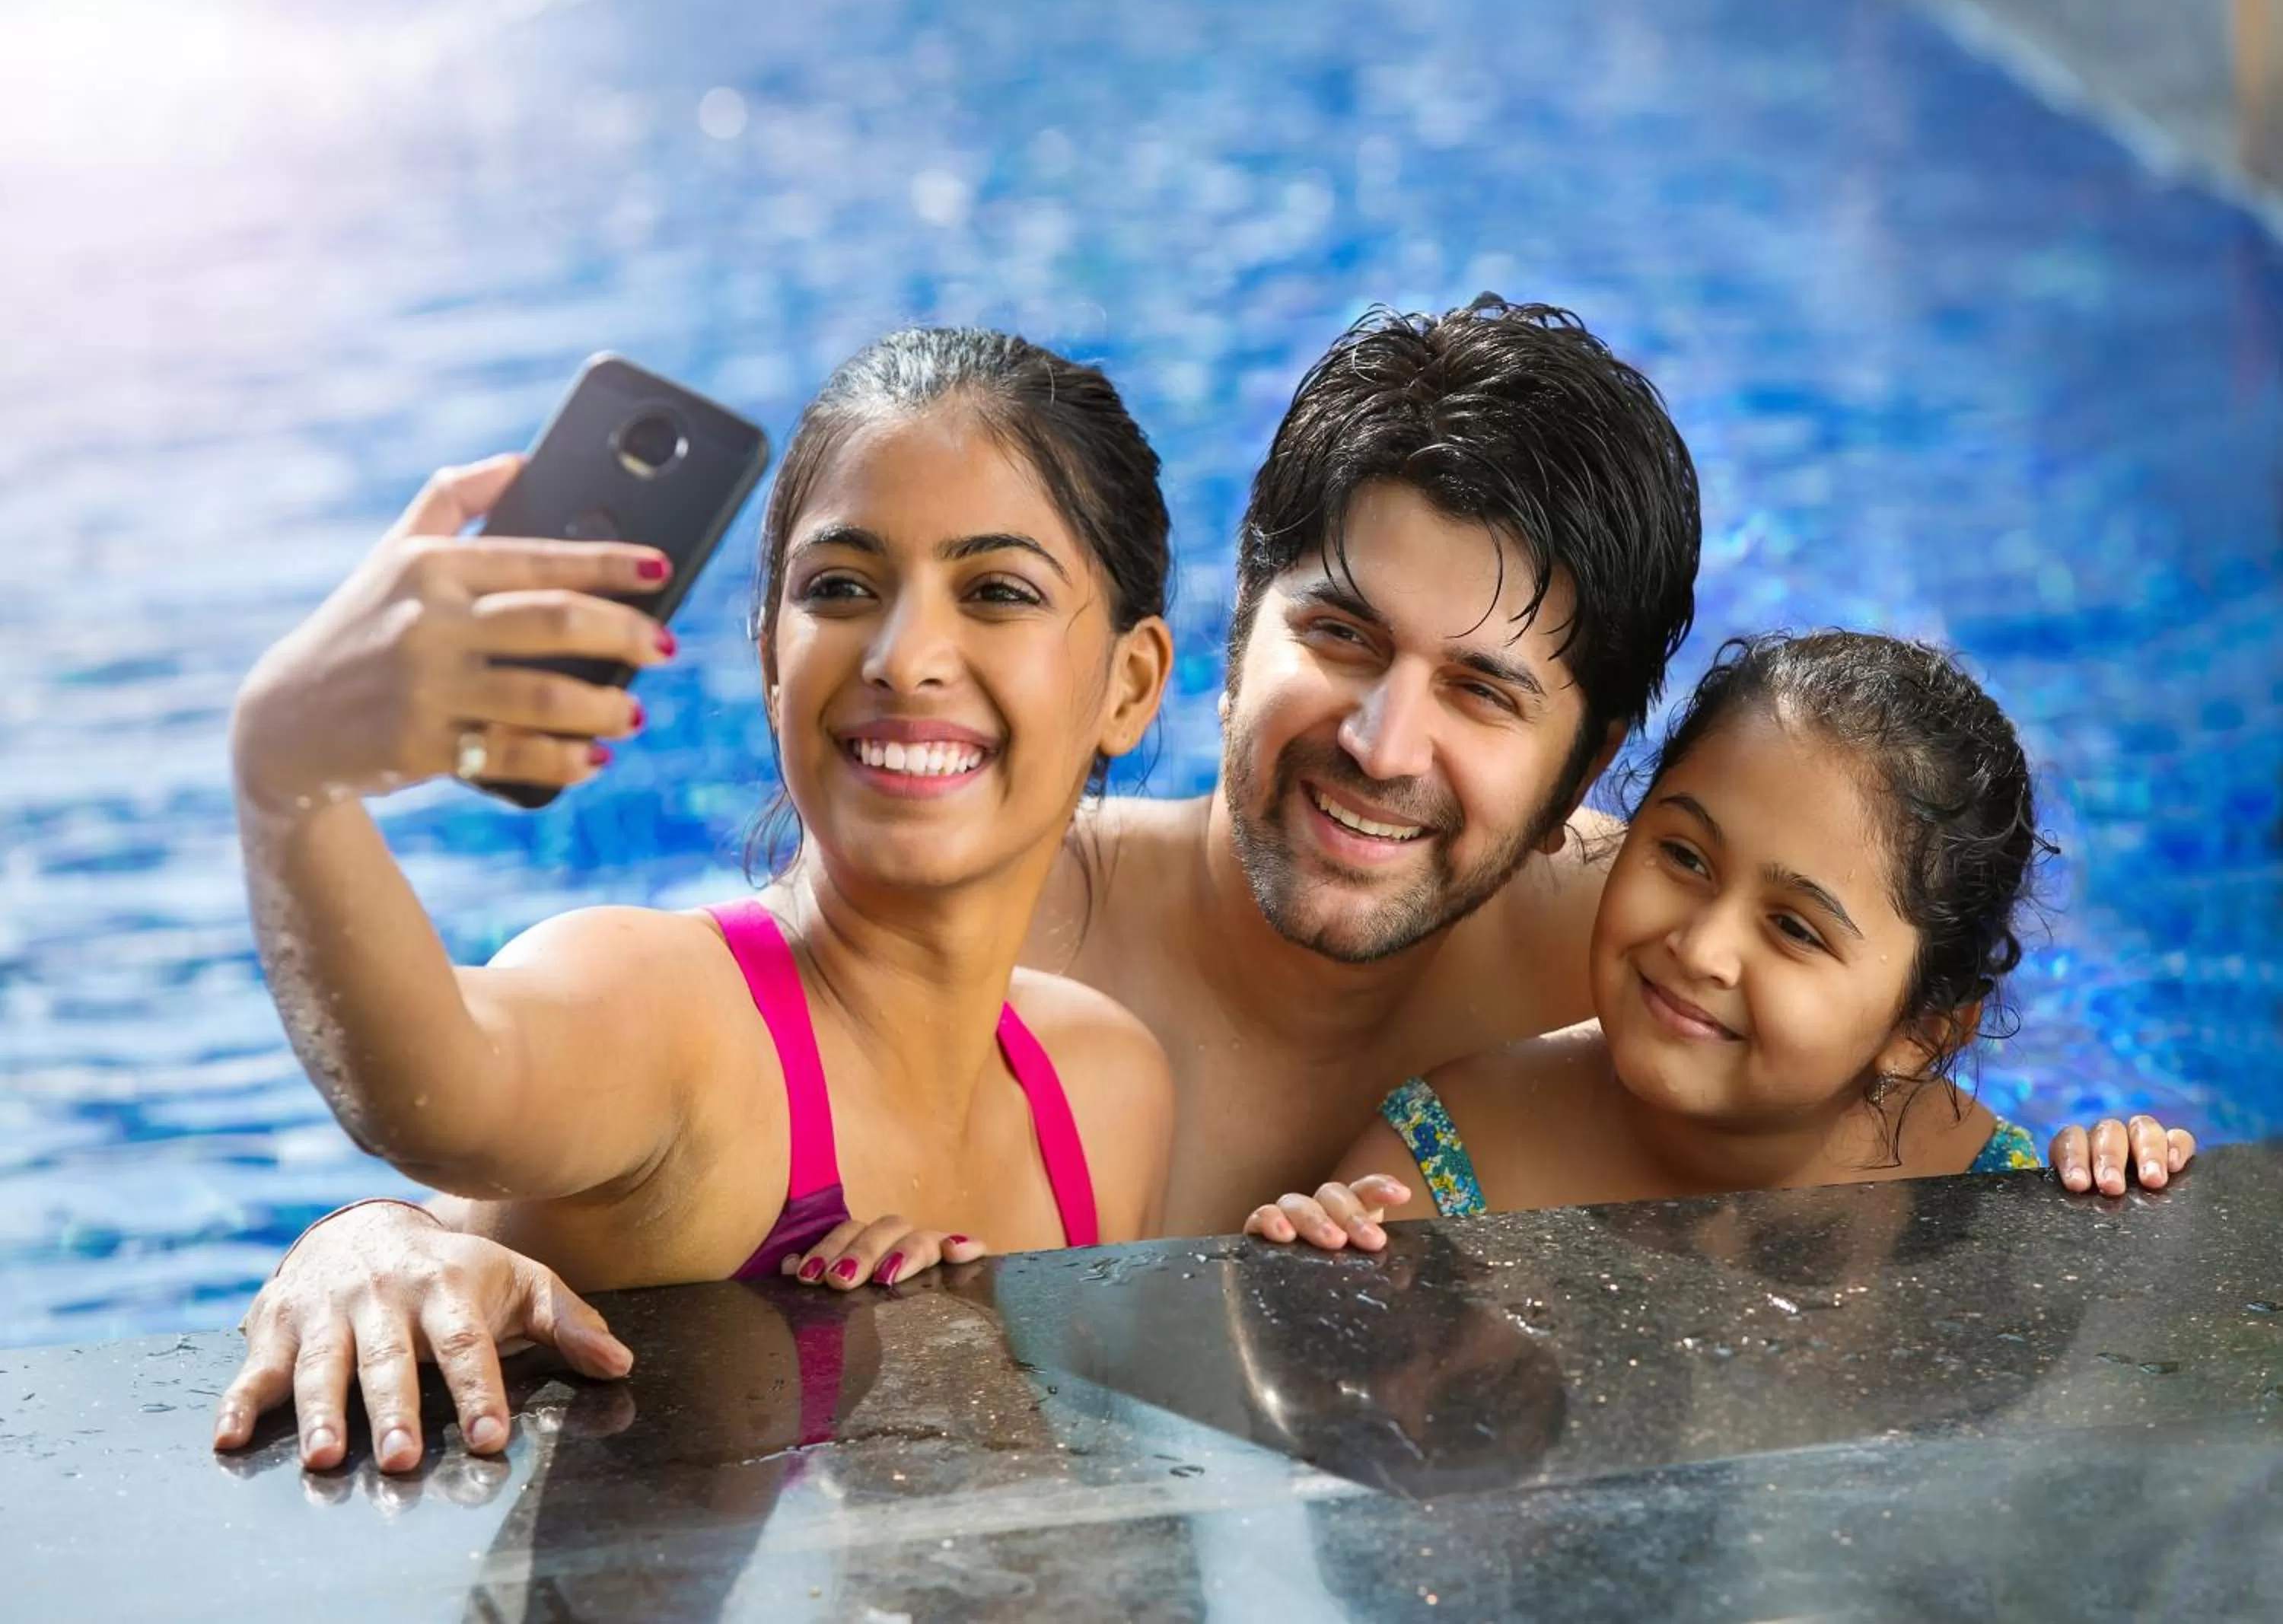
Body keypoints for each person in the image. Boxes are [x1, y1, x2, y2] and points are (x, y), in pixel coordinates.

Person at [216, 301, 2166, 1470]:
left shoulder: (1649, 951)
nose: (1382, 742)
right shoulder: (1010, 917)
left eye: (1484, 692)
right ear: (1219, 643)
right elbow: (590, 1100)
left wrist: (2102, 1169)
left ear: (1589, 772)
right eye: (1339, 634)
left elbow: (1894, 1100)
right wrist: (368, 1238)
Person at [213, 327, 1182, 1474]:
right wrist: (290, 777)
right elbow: (436, 1096)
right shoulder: (677, 1015)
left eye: (998, 591)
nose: (904, 654)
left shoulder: (1107, 1087)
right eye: (840, 587)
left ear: (1130, 686)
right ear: (772, 658)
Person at [1246, 632, 2198, 1251]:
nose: (1702, 947)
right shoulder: (1445, 1155)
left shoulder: (1983, 1199)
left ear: (1923, 1031)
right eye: (1685, 856)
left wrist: (2121, 1174)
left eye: (1794, 927)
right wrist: (1313, 1254)